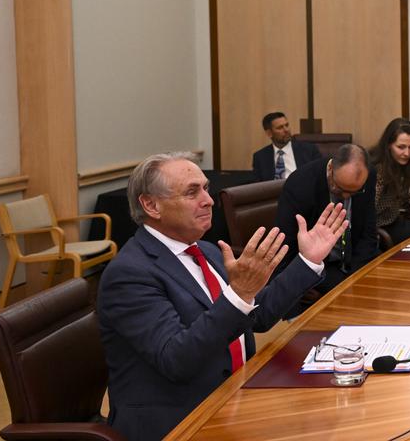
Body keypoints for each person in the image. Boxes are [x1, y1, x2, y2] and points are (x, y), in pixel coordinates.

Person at [98, 152, 346, 441]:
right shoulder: (129, 273)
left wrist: (307, 261)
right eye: (193, 192)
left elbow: (259, 316)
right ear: (151, 205)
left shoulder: (206, 250)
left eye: (205, 188)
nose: (209, 200)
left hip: (235, 396)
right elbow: (177, 360)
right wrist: (239, 294)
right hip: (179, 421)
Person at [275, 144, 378, 314]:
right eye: (340, 188)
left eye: (354, 192)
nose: (345, 196)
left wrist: (357, 278)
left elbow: (368, 232)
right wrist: (297, 288)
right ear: (330, 168)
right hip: (320, 268)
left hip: (354, 263)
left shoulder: (368, 176)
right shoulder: (300, 184)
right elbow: (286, 246)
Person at [368, 117, 410, 246]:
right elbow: (368, 209)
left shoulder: (400, 164)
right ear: (388, 145)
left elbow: (398, 192)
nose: (407, 153)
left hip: (395, 222)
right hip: (379, 230)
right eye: (401, 147)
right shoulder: (378, 170)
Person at [252, 111, 321, 181]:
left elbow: (319, 176)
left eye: (287, 125)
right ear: (269, 133)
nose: (286, 130)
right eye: (280, 128)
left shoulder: (309, 150)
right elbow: (258, 185)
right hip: (273, 191)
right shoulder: (260, 157)